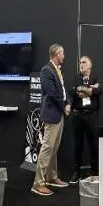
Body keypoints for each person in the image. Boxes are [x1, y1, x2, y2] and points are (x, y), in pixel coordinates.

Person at [32, 43, 70, 196]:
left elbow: (63, 90)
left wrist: (68, 103)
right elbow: (52, 93)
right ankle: (38, 183)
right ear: (56, 54)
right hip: (52, 113)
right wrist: (64, 107)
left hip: (59, 113)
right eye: (62, 53)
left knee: (54, 148)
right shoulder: (46, 70)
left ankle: (51, 177)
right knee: (47, 147)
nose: (64, 55)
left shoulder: (58, 70)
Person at [68, 54, 101, 183]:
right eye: (80, 62)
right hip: (78, 115)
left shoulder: (96, 77)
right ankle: (76, 172)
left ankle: (95, 172)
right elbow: (72, 91)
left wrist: (82, 89)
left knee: (93, 145)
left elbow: (98, 91)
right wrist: (89, 89)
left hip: (91, 115)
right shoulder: (76, 78)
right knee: (78, 145)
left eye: (84, 62)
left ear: (90, 65)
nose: (81, 64)